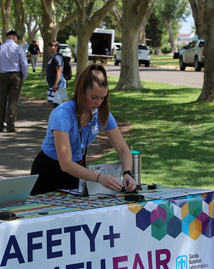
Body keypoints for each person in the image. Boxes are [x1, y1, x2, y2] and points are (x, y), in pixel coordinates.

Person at [30, 64, 137, 195]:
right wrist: (99, 178)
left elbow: (123, 149)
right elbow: (66, 164)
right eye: (94, 97)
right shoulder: (62, 114)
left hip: (77, 172)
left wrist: (127, 173)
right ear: (81, 92)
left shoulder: (103, 114)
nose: (98, 102)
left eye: (102, 98)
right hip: (49, 172)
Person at [0, 30, 28, 132]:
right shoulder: (18, 48)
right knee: (13, 101)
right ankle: (10, 125)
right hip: (15, 75)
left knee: (1, 101)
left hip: (2, 75)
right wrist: (23, 76)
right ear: (14, 37)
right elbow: (23, 64)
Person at [46, 40, 67, 108]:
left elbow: (59, 70)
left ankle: (62, 118)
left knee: (59, 104)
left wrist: (56, 84)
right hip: (54, 84)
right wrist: (50, 85)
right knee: (55, 104)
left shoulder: (57, 57)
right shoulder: (53, 57)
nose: (49, 47)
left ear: (56, 47)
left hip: (59, 84)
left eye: (51, 46)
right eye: (49, 46)